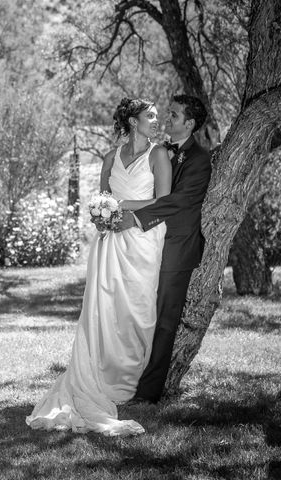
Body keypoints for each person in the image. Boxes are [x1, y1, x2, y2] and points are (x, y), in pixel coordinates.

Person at [25, 98, 171, 436]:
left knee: (137, 308)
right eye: (149, 116)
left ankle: (132, 379)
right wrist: (103, 213)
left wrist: (121, 208)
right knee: (105, 308)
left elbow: (164, 201)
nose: (155, 120)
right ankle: (100, 374)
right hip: (109, 242)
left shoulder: (158, 154)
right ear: (133, 121)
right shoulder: (110, 157)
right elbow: (100, 198)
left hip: (143, 240)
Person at [120, 94, 211, 405]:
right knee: (138, 313)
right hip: (148, 245)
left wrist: (134, 217)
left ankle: (148, 392)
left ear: (190, 123)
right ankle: (126, 377)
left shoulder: (199, 159)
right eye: (168, 114)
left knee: (164, 319)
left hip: (176, 248)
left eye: (174, 115)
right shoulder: (159, 153)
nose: (168, 119)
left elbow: (179, 201)